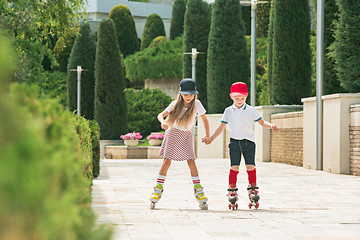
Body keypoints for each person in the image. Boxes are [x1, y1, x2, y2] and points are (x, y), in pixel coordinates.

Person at [203, 82, 278, 209]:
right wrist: (211, 138)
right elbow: (221, 127)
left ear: (246, 97)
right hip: (234, 143)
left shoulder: (250, 110)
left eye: (242, 98)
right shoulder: (228, 111)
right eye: (237, 98)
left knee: (250, 166)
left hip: (249, 143)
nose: (239, 100)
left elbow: (261, 122)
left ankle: (253, 188)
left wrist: (271, 125)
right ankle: (232, 189)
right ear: (231, 96)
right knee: (234, 167)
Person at [149, 78, 210, 210]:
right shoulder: (174, 104)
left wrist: (207, 134)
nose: (189, 97)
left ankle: (198, 190)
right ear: (181, 93)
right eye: (186, 94)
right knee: (167, 161)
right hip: (172, 133)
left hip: (186, 135)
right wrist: (162, 122)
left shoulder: (197, 104)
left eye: (191, 94)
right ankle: (157, 189)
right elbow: (161, 114)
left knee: (191, 161)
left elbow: (204, 119)